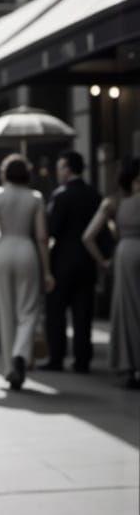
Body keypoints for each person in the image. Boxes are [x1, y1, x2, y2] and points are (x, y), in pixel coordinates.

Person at [0, 154, 55, 391]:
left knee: (5, 311)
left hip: (2, 249)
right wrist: (47, 271)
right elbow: (42, 237)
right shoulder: (35, 197)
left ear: (5, 173)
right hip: (26, 250)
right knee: (28, 309)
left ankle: (9, 365)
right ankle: (21, 353)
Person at [41, 150, 104, 373]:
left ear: (68, 169)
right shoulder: (94, 194)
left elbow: (52, 230)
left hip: (62, 262)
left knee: (56, 312)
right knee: (83, 313)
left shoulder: (61, 195)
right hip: (87, 261)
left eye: (60, 168)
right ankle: (82, 359)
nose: (58, 173)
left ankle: (56, 357)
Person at [82, 155, 140, 388]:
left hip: (125, 254)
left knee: (127, 310)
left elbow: (88, 236)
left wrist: (104, 262)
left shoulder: (113, 202)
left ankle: (129, 365)